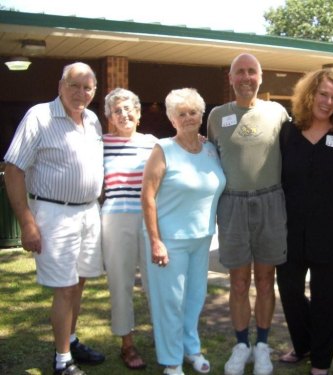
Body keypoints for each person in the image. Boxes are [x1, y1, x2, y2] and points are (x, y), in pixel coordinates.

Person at [3, 62, 105, 375]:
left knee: (80, 282)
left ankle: (71, 340)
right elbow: (13, 168)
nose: (80, 92)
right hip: (54, 213)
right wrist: (27, 221)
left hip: (89, 212)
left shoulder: (92, 120)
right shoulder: (40, 117)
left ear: (94, 91)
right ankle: (62, 361)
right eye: (74, 85)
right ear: (60, 86)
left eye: (87, 87)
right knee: (64, 287)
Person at [207, 53, 290, 375]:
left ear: (260, 77)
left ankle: (263, 346)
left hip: (271, 202)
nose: (245, 77)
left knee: (267, 280)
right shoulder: (217, 115)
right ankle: (241, 345)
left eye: (251, 72)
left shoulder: (277, 112)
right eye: (239, 72)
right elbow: (210, 153)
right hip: (233, 205)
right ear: (230, 78)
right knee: (239, 283)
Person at [277, 68, 333, 375]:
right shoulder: (287, 133)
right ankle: (303, 344)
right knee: (290, 292)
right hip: (291, 232)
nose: (327, 102)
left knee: (329, 299)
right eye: (323, 94)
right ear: (310, 94)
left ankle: (321, 361)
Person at [141, 88, 226, 375]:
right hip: (169, 240)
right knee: (170, 303)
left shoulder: (211, 149)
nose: (188, 118)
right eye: (182, 114)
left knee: (194, 299)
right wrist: (155, 241)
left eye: (193, 112)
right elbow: (148, 196)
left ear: (201, 115)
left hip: (201, 238)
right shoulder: (163, 149)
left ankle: (191, 348)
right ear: (171, 118)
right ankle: (171, 360)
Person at [101, 88, 157, 370]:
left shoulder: (153, 143)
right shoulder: (100, 143)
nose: (123, 114)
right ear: (109, 117)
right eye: (116, 110)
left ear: (138, 112)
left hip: (149, 220)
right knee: (120, 283)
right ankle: (127, 344)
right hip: (114, 218)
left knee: (156, 282)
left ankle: (165, 337)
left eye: (128, 109)